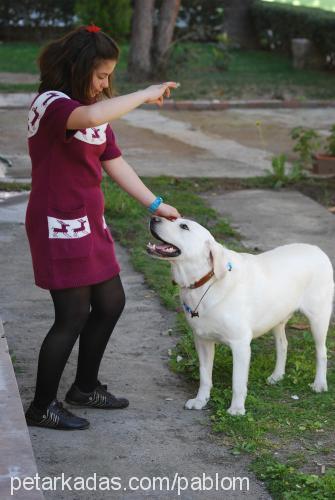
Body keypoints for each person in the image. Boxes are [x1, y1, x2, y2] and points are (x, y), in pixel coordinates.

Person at [25, 24, 181, 431]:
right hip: (58, 224)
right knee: (72, 315)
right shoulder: (53, 105)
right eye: (100, 75)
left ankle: (85, 387)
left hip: (90, 222)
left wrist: (156, 203)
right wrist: (145, 94)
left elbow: (114, 161)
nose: (105, 83)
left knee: (110, 302)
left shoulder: (91, 111)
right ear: (77, 68)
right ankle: (42, 406)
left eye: (110, 75)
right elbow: (91, 115)